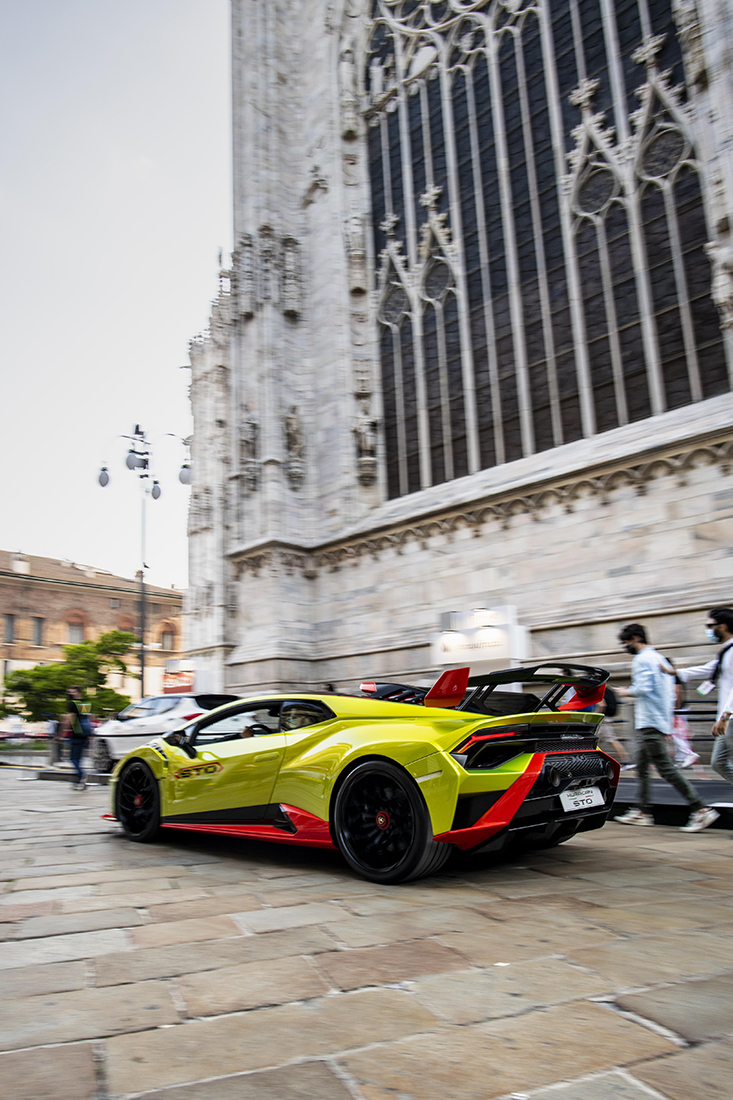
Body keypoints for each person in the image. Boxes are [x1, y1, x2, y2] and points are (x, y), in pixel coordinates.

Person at [613, 623, 719, 832]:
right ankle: (642, 812)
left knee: (666, 769)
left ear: (635, 638)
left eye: (625, 642)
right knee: (642, 768)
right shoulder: (659, 658)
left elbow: (643, 688)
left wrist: (623, 691)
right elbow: (668, 693)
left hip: (650, 721)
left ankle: (701, 810)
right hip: (655, 720)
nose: (625, 646)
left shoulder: (642, 659)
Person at [675, 607, 733, 790]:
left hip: (730, 718)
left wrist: (725, 716)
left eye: (710, 625)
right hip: (727, 719)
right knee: (718, 762)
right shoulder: (726, 651)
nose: (708, 629)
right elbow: (708, 669)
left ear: (722, 626)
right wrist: (672, 672)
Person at [66, 686, 91, 790]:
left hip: (76, 733)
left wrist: (63, 732)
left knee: (73, 758)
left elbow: (70, 718)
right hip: (85, 734)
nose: (70, 694)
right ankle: (78, 780)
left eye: (72, 692)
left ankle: (81, 776)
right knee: (78, 758)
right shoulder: (85, 703)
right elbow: (87, 718)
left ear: (77, 692)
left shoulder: (72, 704)